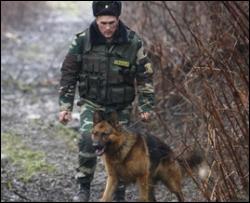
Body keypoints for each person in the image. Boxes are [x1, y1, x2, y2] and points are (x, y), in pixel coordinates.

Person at [58, 1, 154, 202]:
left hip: (120, 107)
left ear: (118, 19)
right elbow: (69, 73)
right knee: (87, 139)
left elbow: (144, 75)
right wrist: (65, 106)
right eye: (103, 23)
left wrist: (146, 106)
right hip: (92, 104)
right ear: (96, 20)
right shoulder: (82, 41)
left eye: (112, 22)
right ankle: (83, 186)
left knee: (121, 147)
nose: (108, 27)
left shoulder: (132, 41)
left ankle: (118, 191)